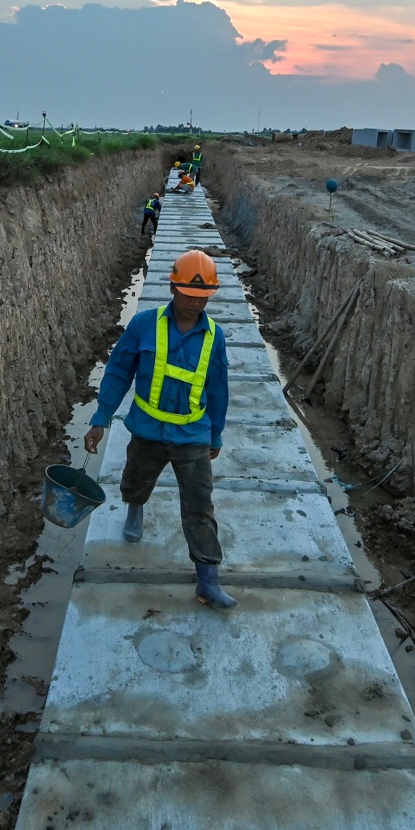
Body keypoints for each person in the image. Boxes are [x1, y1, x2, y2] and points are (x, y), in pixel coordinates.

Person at [82, 249, 235, 609]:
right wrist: (101, 418)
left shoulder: (215, 336)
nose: (196, 303)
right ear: (171, 287)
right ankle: (135, 507)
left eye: (203, 297)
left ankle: (208, 580)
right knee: (136, 479)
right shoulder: (143, 325)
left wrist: (215, 434)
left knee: (200, 506)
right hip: (147, 430)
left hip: (192, 436)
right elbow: (119, 371)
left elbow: (218, 388)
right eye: (188, 295)